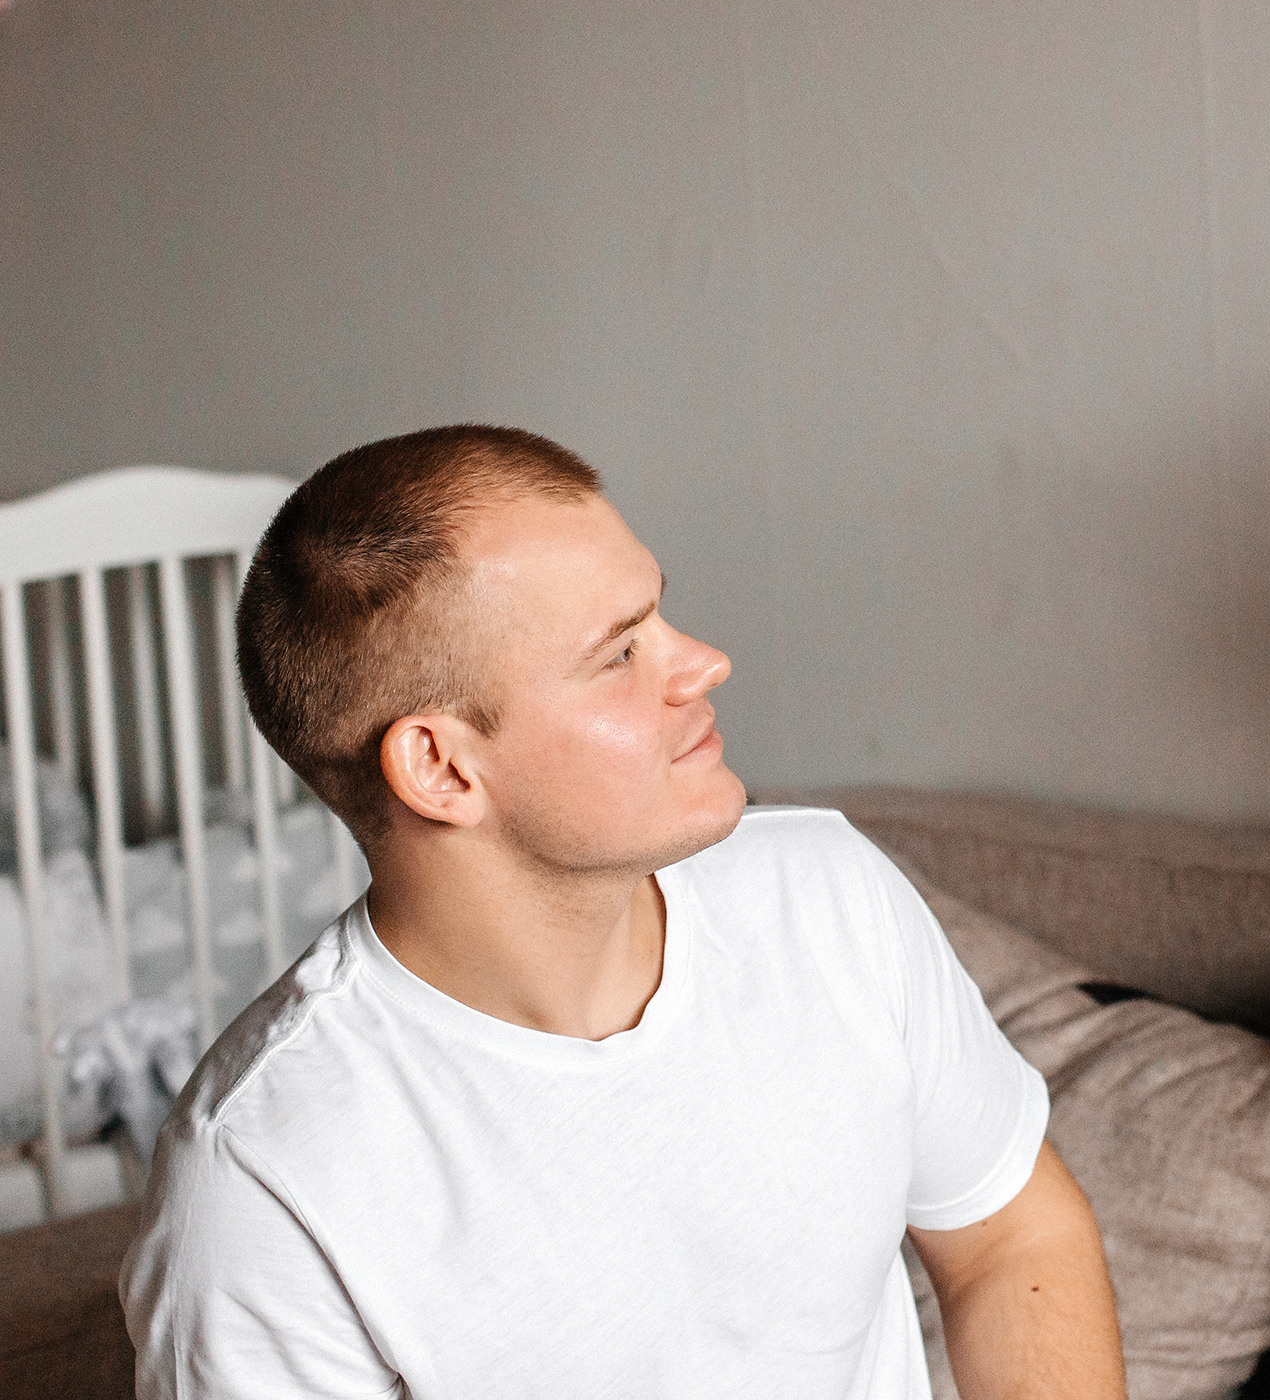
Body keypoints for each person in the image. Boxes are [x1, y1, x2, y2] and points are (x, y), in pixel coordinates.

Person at [120, 425, 1126, 1400]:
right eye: (619, 655)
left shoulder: (827, 895)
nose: (703, 663)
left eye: (661, 617)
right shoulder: (263, 1181)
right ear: (439, 766)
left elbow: (1010, 1236)